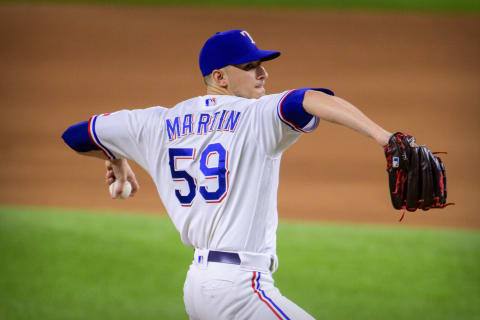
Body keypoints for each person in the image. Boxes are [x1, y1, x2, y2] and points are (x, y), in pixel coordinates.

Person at [62, 30, 392, 320]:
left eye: (261, 64)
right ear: (220, 78)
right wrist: (384, 138)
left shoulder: (156, 124)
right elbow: (310, 99)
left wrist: (117, 156)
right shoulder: (255, 116)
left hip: (199, 286)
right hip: (240, 290)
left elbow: (76, 136)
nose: (263, 73)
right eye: (250, 67)